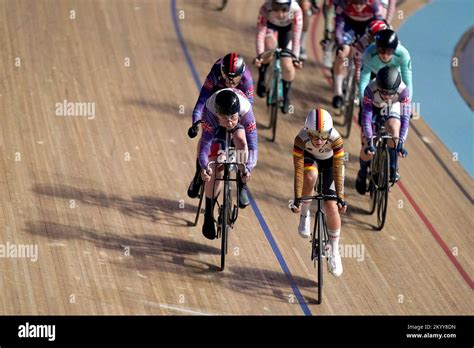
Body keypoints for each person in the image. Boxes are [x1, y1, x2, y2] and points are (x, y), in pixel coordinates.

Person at [187, 53, 254, 201]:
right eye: (227, 78)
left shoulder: (247, 80)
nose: (230, 82)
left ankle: (242, 182)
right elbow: (202, 99)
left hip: (235, 110)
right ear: (222, 72)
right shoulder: (215, 72)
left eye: (235, 79)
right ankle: (199, 171)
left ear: (241, 75)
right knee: (207, 135)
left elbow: (247, 110)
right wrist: (196, 121)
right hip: (216, 105)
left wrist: (241, 129)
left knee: (241, 139)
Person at [291, 108, 347, 276]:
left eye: (323, 136)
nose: (319, 140)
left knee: (331, 207)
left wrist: (340, 198)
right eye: (315, 136)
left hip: (331, 164)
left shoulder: (336, 139)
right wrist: (297, 199)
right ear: (308, 131)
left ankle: (335, 251)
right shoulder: (300, 139)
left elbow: (338, 169)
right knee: (310, 175)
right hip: (310, 160)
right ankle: (305, 215)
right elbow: (298, 171)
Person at [199, 89, 258, 239]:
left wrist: (248, 168)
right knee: (216, 167)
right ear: (218, 115)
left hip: (240, 128)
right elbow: (205, 145)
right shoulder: (210, 112)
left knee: (241, 140)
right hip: (217, 128)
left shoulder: (246, 111)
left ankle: (241, 181)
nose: (230, 122)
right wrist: (205, 166)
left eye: (233, 117)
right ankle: (208, 214)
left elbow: (253, 146)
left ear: (238, 113)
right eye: (226, 118)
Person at [355, 66, 411, 194]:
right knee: (366, 147)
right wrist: (369, 140)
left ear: (396, 89)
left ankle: (392, 167)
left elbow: (405, 120)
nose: (387, 96)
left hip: (393, 108)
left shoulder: (403, 91)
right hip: (374, 109)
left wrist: (400, 142)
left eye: (390, 93)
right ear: (378, 86)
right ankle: (362, 173)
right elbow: (366, 118)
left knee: (393, 129)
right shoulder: (370, 89)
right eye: (383, 92)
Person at [254, 0, 303, 114]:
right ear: (271, 4)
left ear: (290, 6)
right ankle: (262, 76)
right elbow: (260, 36)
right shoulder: (265, 9)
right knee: (269, 47)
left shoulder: (296, 11)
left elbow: (296, 39)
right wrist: (259, 57)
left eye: (284, 9)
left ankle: (286, 96)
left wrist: (295, 58)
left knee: (287, 65)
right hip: (271, 30)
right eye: (276, 8)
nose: (280, 14)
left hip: (287, 32)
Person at [332, 0, 383, 109]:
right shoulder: (343, 3)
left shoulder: (375, 4)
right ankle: (338, 93)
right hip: (348, 26)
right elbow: (338, 24)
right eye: (355, 2)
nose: (358, 6)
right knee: (343, 53)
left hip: (367, 28)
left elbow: (380, 25)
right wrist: (340, 43)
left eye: (361, 3)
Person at [358, 28, 413, 101]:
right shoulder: (369, 53)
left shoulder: (403, 54)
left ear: (394, 49)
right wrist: (363, 101)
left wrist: (407, 101)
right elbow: (364, 81)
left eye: (389, 51)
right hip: (374, 74)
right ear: (376, 48)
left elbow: (407, 82)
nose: (385, 55)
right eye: (381, 50)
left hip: (395, 76)